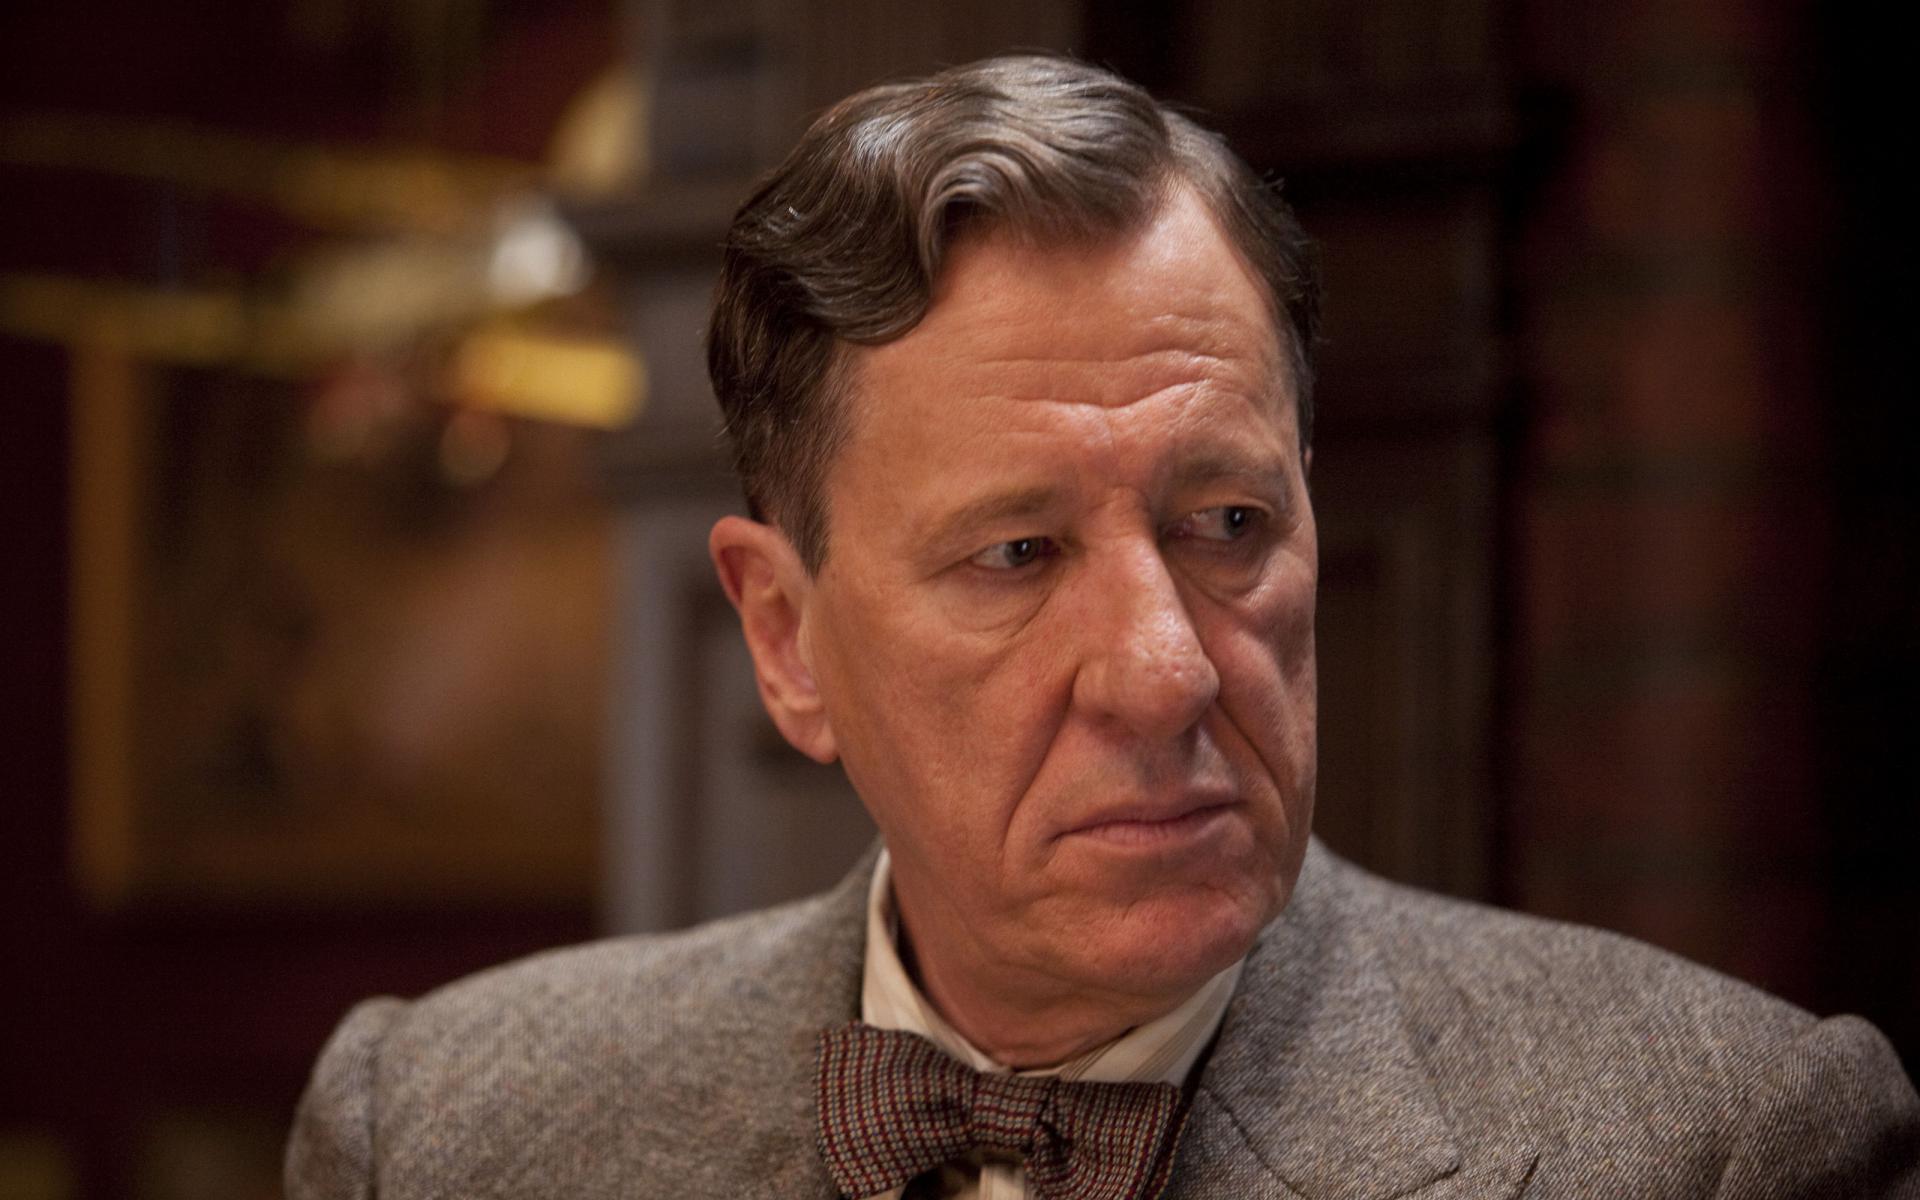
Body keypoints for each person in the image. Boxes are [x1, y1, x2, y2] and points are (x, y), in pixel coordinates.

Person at [286, 54, 1919, 1199]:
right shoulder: (442, 1134)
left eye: (1229, 527)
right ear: (785, 638)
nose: (1166, 670)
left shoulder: (1722, 1144)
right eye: (1016, 553)